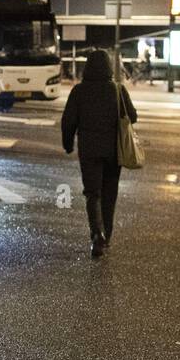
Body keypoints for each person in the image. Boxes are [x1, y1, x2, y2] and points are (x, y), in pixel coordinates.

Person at [61, 48, 138, 258]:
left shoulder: (79, 91)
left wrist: (68, 144)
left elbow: (68, 121)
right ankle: (107, 236)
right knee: (109, 194)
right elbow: (133, 116)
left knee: (92, 193)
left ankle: (97, 233)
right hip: (114, 151)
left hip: (89, 151)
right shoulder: (117, 89)